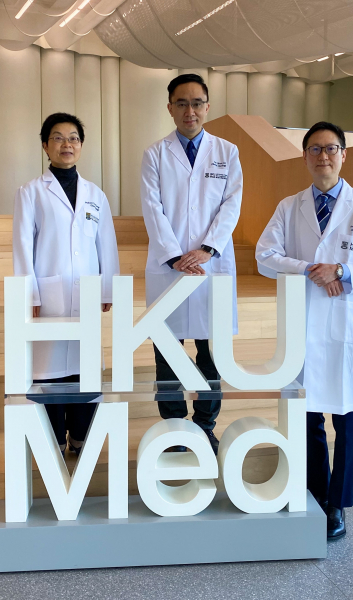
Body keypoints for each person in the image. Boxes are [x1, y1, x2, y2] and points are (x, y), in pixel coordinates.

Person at [255, 121, 353, 540]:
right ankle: (317, 492)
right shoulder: (289, 207)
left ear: (344, 155)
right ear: (304, 156)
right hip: (304, 323)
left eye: (331, 148)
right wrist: (312, 270)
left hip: (346, 325)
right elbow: (265, 256)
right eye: (314, 149)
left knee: (345, 419)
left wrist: (343, 272)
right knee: (309, 415)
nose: (323, 156)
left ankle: (338, 505)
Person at [140, 73, 243, 455]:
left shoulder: (227, 152)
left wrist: (207, 249)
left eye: (197, 103)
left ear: (207, 107)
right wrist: (174, 255)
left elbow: (231, 204)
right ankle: (174, 428)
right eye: (181, 103)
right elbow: (152, 207)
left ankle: (204, 426)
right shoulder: (155, 154)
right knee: (167, 351)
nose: (190, 110)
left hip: (210, 265)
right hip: (169, 267)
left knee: (210, 352)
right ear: (170, 108)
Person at [13, 112, 119, 457]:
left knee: (85, 368)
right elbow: (22, 246)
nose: (66, 144)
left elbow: (106, 244)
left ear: (81, 145)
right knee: (49, 369)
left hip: (85, 293)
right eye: (57, 138)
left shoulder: (95, 194)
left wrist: (108, 288)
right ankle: (55, 440)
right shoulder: (31, 192)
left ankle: (81, 438)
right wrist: (29, 293)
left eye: (73, 138)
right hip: (49, 296)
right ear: (46, 146)